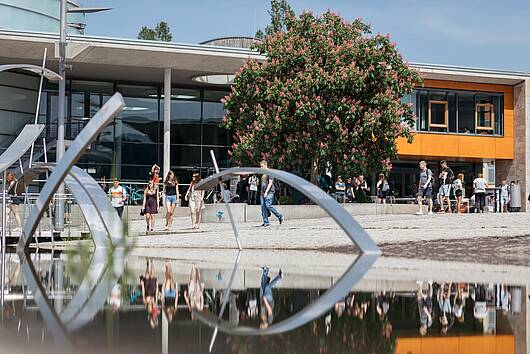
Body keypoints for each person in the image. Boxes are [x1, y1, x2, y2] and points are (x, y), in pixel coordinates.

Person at [259, 160, 284, 227]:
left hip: (269, 192)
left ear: (265, 165)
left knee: (268, 205)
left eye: (262, 166)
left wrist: (266, 192)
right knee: (263, 207)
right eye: (260, 166)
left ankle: (279, 216)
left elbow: (270, 183)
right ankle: (266, 222)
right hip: (262, 192)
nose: (261, 168)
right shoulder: (263, 174)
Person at [141, 260, 159, 329]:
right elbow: (156, 295)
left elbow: (143, 294)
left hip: (147, 290)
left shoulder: (146, 304)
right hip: (152, 290)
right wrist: (157, 286)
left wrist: (142, 285)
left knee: (147, 275)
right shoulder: (155, 308)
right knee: (152, 275)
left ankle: (148, 265)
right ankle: (151, 263)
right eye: (153, 320)